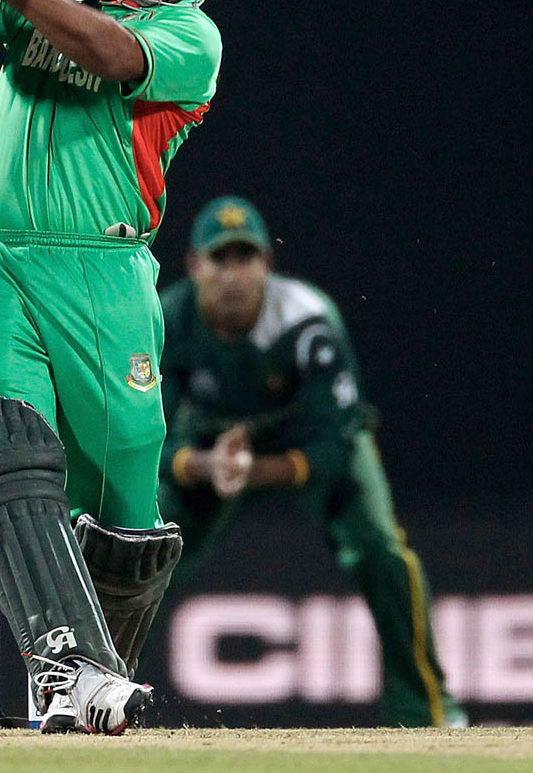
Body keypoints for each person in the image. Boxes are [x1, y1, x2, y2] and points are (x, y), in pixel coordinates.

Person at [0, 0, 242, 734]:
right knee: (3, 438)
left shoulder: (192, 40)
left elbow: (106, 48)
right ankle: (68, 667)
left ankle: (91, 693)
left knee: (131, 521)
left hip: (108, 275)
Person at [158, 195, 467, 728]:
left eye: (245, 258)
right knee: (139, 560)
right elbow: (147, 442)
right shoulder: (165, 319)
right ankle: (99, 701)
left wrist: (253, 469)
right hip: (212, 452)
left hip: (301, 446)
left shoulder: (308, 321)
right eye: (219, 259)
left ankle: (432, 715)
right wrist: (207, 467)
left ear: (266, 265)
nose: (232, 275)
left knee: (382, 553)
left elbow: (337, 442)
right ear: (193, 266)